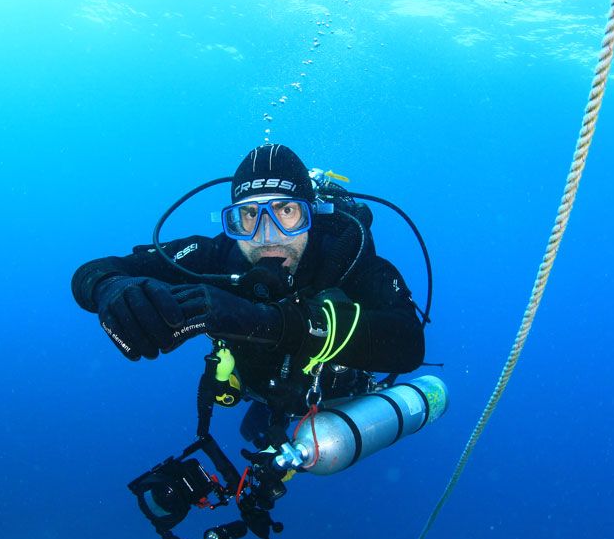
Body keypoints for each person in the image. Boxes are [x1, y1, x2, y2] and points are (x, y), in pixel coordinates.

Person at [71, 144, 425, 448]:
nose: (268, 235)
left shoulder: (346, 256)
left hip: (334, 397)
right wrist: (111, 288)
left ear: (311, 213)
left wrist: (272, 323)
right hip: (259, 385)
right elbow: (97, 269)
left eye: (287, 211)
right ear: (233, 221)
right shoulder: (216, 255)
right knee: (256, 426)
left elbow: (409, 344)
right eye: (250, 215)